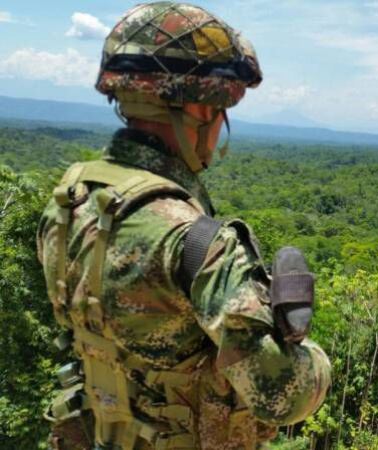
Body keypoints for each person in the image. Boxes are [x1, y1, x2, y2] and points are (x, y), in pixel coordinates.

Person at [36, 3, 331, 449]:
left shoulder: (70, 201)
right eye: (220, 110)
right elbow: (281, 397)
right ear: (197, 108)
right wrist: (312, 357)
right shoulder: (196, 242)